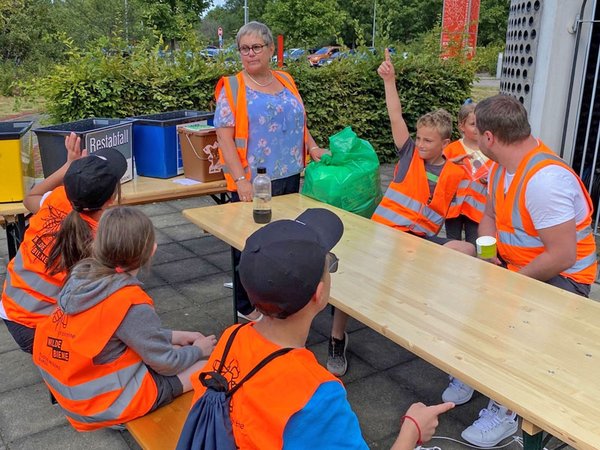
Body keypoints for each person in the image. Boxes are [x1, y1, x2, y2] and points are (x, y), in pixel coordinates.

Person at [187, 208, 454, 449]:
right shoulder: (316, 393)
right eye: (330, 265)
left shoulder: (232, 337)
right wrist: (412, 430)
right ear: (319, 292)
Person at [457, 95, 598, 448]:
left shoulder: (544, 181)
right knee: (453, 257)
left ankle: (507, 412)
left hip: (566, 279)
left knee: (509, 315)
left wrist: (509, 282)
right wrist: (487, 255)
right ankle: (470, 372)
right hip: (519, 265)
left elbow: (564, 255)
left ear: (488, 138)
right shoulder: (504, 166)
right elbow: (489, 217)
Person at [326, 49, 475, 377]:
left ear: (446, 143)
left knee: (413, 290)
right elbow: (396, 116)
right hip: (381, 234)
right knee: (351, 282)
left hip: (415, 245)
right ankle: (337, 338)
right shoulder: (409, 154)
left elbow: (459, 217)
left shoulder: (456, 172)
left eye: (428, 141)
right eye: (419, 138)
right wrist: (389, 81)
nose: (420, 144)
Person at [32, 206, 217, 431]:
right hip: (100, 403)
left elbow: (114, 332)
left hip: (70, 390)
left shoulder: (81, 277)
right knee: (209, 367)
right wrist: (200, 349)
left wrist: (177, 336)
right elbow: (167, 364)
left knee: (175, 350)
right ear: (152, 250)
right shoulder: (130, 301)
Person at [214, 21, 327, 321]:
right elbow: (223, 136)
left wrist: (312, 147)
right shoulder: (233, 86)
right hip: (253, 180)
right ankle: (247, 305)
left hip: (289, 175)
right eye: (244, 49)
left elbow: (297, 122)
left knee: (282, 239)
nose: (250, 54)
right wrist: (240, 179)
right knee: (251, 244)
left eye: (256, 47)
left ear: (270, 50)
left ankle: (277, 295)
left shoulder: (286, 80)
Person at [1, 133, 127, 353]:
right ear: (110, 200)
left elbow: (30, 197)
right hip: (39, 324)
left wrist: (68, 164)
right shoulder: (102, 241)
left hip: (10, 307)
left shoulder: (56, 198)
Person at [443, 101, 489, 245]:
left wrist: (490, 179)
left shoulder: (491, 151)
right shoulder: (452, 149)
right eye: (473, 124)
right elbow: (441, 171)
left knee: (474, 243)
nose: (478, 128)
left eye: (482, 123)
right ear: (461, 126)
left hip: (478, 210)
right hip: (452, 208)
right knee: (452, 242)